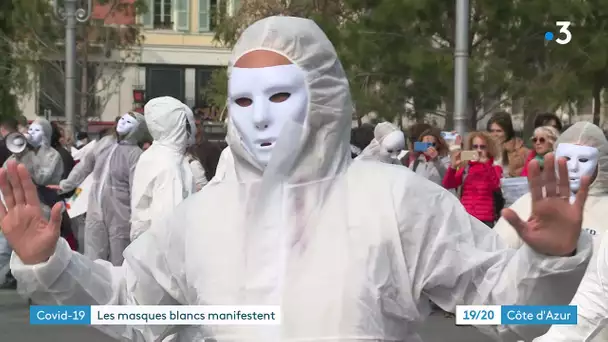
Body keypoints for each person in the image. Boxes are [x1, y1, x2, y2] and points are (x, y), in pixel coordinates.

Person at [1, 16, 595, 342]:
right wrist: (51, 266)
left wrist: (549, 264)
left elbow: (510, 316)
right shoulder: (203, 218)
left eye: (281, 94)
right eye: (243, 100)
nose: (260, 116)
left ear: (325, 98)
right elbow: (132, 307)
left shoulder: (396, 201)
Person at [494, 122, 608, 340]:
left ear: (600, 163)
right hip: (536, 320)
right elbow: (495, 263)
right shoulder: (531, 204)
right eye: (566, 159)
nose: (573, 168)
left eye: (583, 160)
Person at [48, 112, 147, 265]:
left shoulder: (136, 154)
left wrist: (136, 218)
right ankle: (94, 288)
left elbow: (137, 189)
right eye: (122, 119)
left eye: (128, 122)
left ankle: (118, 288)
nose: (122, 123)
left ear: (138, 129)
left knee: (119, 257)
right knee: (93, 255)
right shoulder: (104, 143)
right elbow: (83, 167)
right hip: (95, 207)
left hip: (121, 212)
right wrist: (65, 185)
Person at [129, 96, 196, 242]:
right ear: (177, 125)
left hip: (145, 246)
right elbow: (170, 221)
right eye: (186, 125)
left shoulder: (152, 155)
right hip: (164, 253)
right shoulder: (170, 165)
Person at [443, 131, 503, 227]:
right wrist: (453, 167)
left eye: (482, 147)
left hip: (486, 219)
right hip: (467, 217)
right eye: (475, 147)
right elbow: (448, 184)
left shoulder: (494, 167)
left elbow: (496, 186)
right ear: (470, 149)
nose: (478, 150)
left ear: (489, 149)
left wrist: (486, 164)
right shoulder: (466, 167)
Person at [487, 112, 529, 177]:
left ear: (507, 132)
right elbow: (466, 160)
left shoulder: (521, 151)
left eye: (499, 131)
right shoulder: (480, 147)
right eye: (492, 131)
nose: (494, 134)